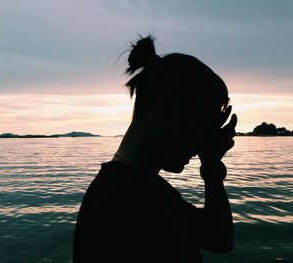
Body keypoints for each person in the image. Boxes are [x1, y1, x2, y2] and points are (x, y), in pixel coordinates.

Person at [73, 35, 237, 263]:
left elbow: (218, 239)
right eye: (203, 124)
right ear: (167, 106)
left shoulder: (151, 187)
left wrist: (211, 165)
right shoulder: (118, 203)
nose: (203, 142)